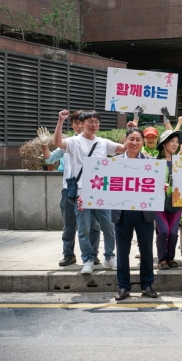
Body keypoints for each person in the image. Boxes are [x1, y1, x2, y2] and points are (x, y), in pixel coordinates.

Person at [53, 110, 127, 275]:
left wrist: (132, 131)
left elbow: (123, 148)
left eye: (96, 122)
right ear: (82, 123)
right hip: (81, 193)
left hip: (101, 193)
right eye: (90, 122)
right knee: (84, 228)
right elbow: (57, 142)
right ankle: (87, 259)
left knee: (108, 226)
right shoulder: (74, 142)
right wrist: (60, 121)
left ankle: (109, 257)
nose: (94, 125)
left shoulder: (103, 142)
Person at [38, 111, 101, 267]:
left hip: (92, 190)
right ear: (72, 125)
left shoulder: (97, 143)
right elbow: (49, 158)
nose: (79, 125)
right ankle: (68, 254)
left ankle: (93, 254)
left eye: (82, 122)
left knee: (93, 225)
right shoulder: (68, 143)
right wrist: (44, 144)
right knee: (69, 224)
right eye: (75, 122)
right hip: (70, 190)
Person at [111, 128, 158, 301]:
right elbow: (104, 187)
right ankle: (123, 287)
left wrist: (161, 188)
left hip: (143, 212)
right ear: (125, 140)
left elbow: (157, 186)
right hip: (121, 212)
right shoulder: (113, 163)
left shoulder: (152, 163)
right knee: (122, 251)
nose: (134, 143)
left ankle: (147, 285)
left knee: (146, 249)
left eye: (138, 139)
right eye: (131, 139)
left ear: (143, 142)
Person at [155, 130, 182, 270]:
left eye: (177, 142)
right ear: (164, 144)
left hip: (176, 202)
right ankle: (162, 259)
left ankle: (171, 258)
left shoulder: (181, 161)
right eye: (172, 141)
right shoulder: (155, 161)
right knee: (164, 231)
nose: (175, 144)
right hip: (159, 203)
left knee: (174, 233)